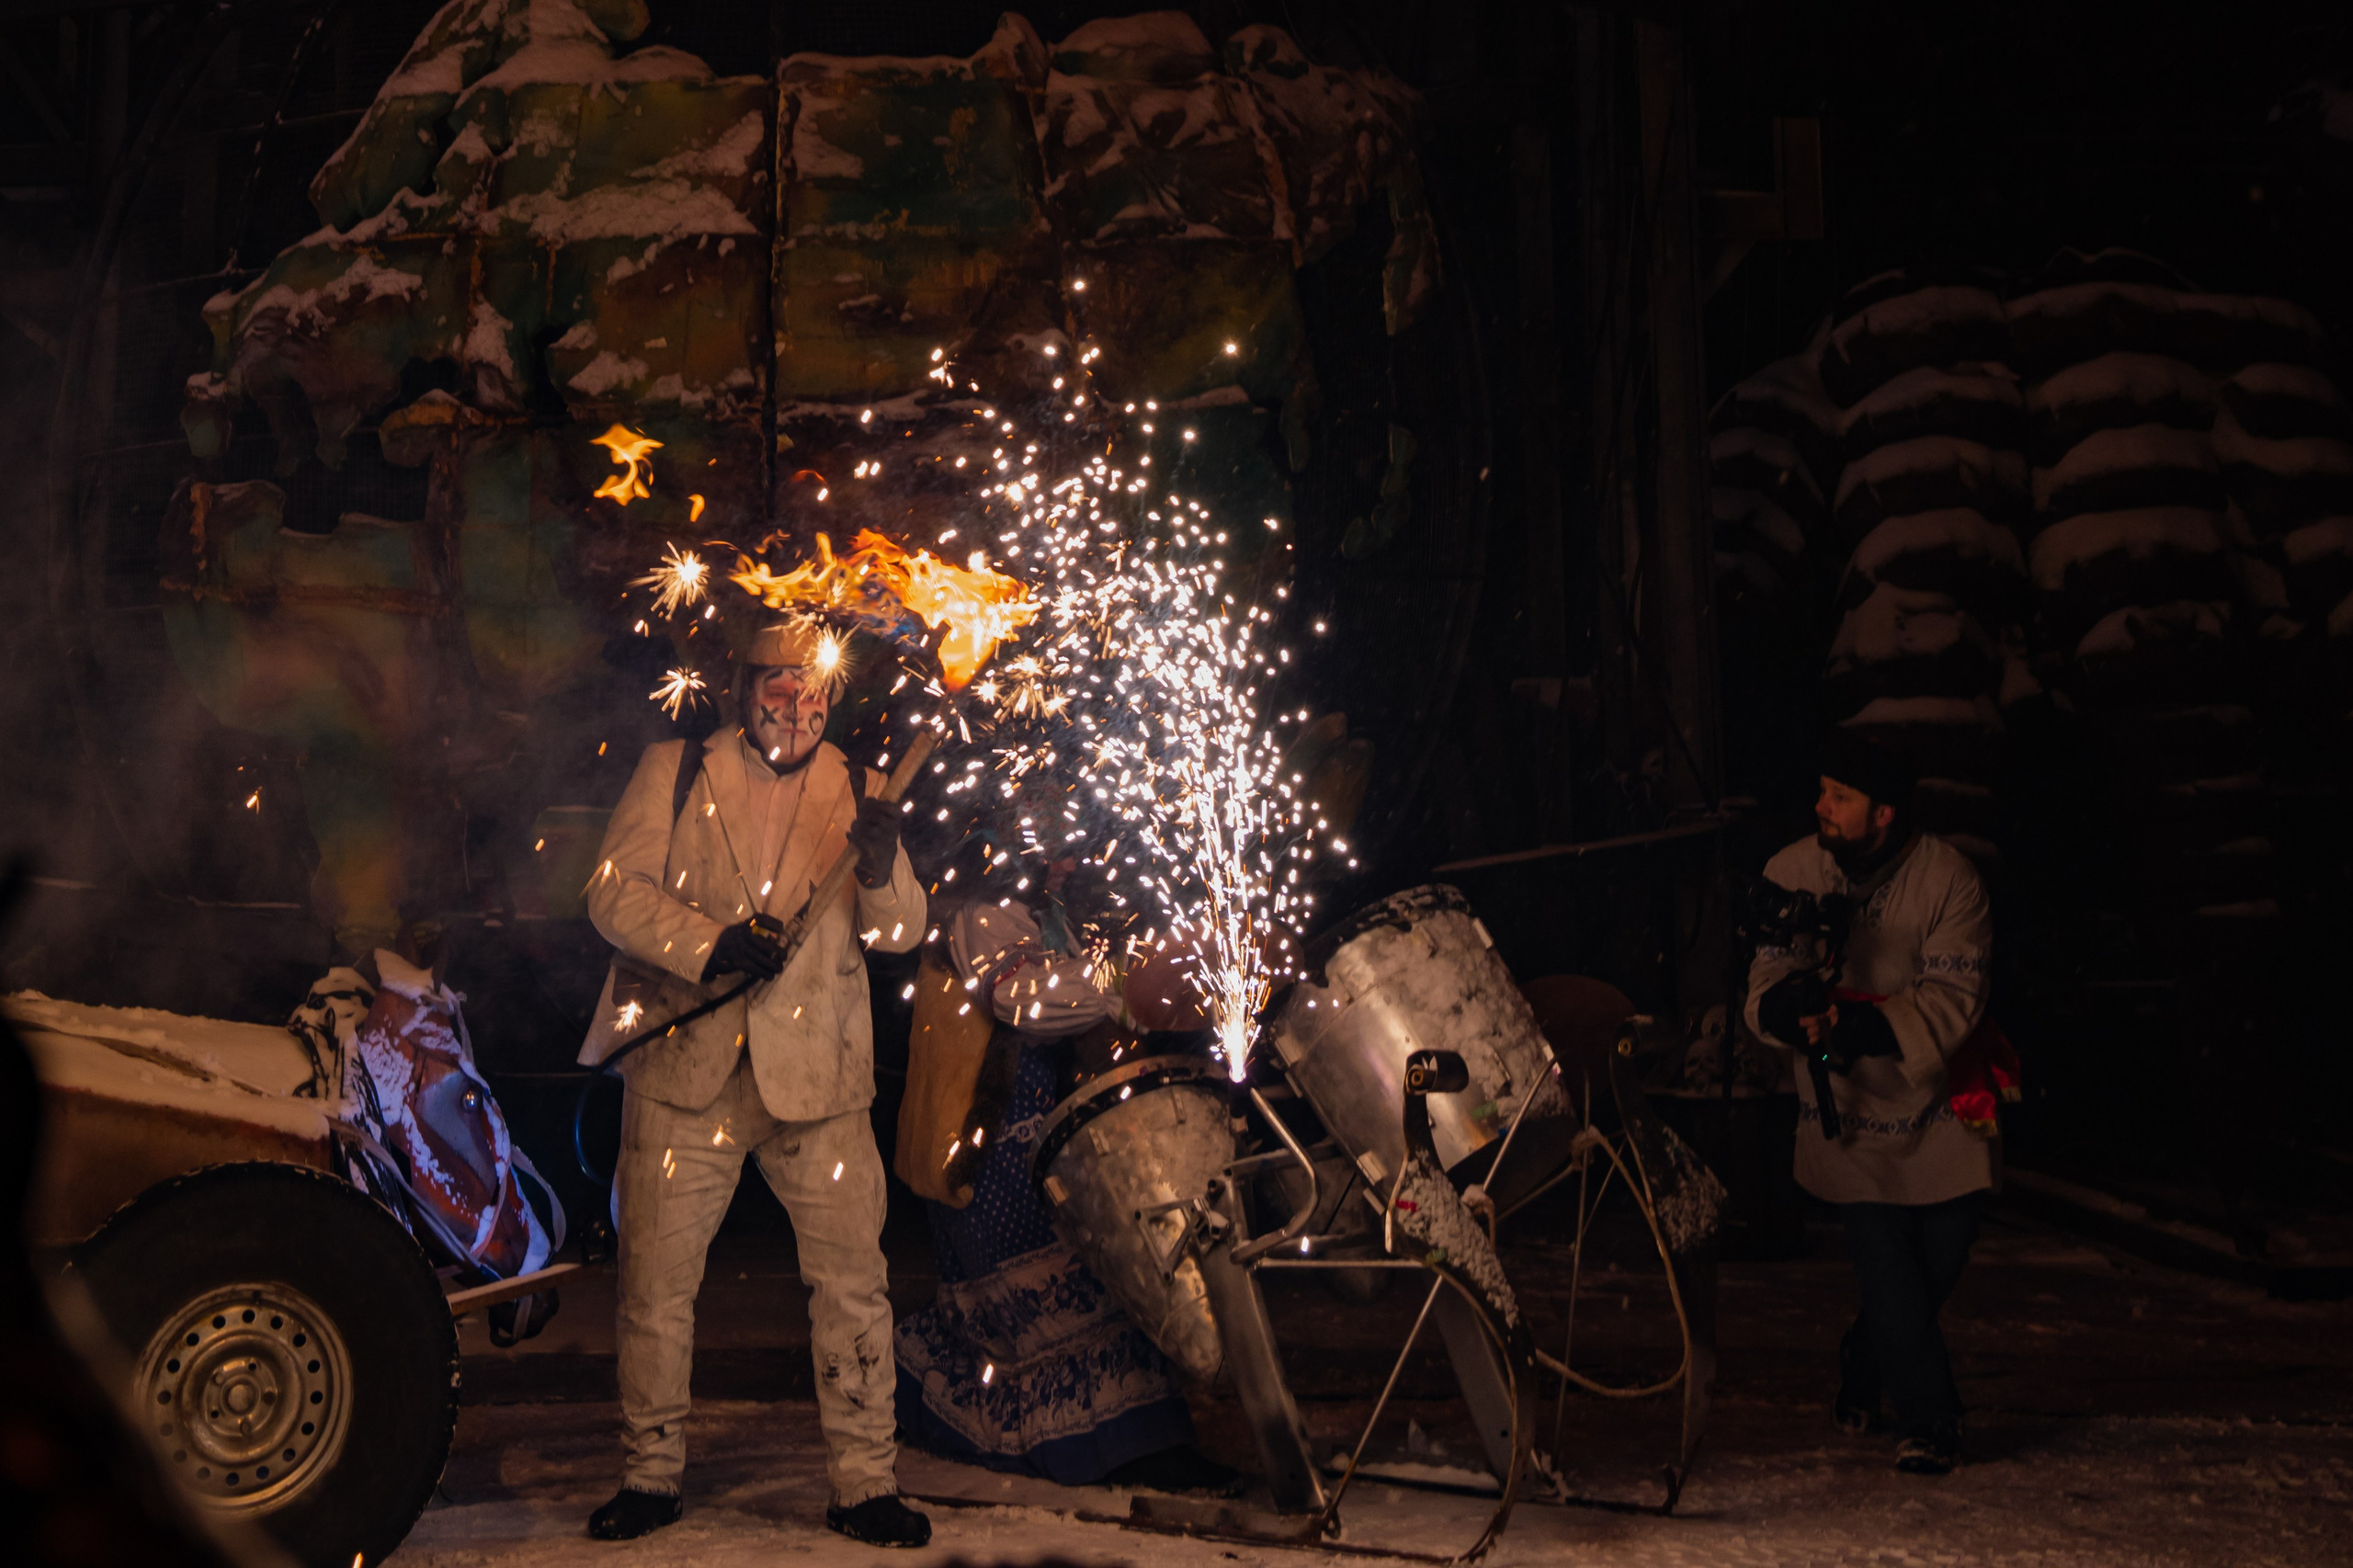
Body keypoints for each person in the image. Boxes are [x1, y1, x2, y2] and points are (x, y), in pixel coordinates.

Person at [576, 619, 930, 1547]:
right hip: (684, 1067)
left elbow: (898, 934)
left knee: (854, 1283)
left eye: (811, 688)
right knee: (653, 1286)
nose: (794, 704)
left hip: (818, 1081)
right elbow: (610, 890)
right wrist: (710, 943)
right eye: (776, 684)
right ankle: (649, 1476)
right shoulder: (676, 767)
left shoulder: (858, 786)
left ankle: (865, 1483)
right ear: (742, 687)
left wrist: (885, 863)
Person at [891, 883, 1241, 1494]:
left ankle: (1142, 1440)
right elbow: (1020, 998)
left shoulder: (1067, 913)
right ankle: (1102, 1446)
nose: (1070, 853)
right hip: (991, 1148)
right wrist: (1125, 988)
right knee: (1064, 1300)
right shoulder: (983, 910)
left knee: (1117, 1278)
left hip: (1058, 1137)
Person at [1744, 733, 1995, 1477]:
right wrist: (1790, 1012)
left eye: (1840, 796)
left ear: (1884, 813)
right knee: (1884, 1254)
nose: (1820, 806)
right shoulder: (1792, 869)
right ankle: (1932, 1421)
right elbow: (1763, 982)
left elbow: (1955, 995)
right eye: (1823, 790)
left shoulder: (1950, 879)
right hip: (1846, 1101)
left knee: (1939, 1256)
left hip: (1938, 1089)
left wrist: (1860, 1024)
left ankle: (1866, 1356)